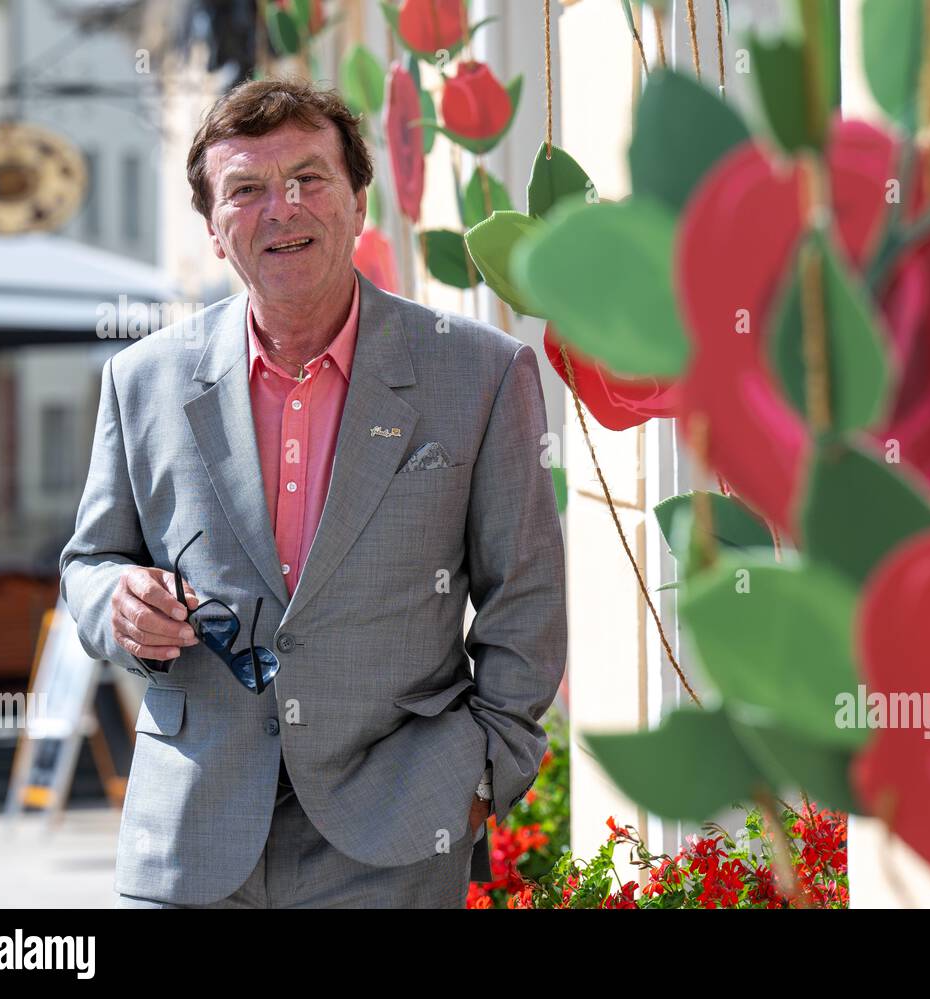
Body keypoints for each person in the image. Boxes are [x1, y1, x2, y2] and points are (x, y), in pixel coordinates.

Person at [59, 77, 567, 908]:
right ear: (216, 231)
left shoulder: (479, 373)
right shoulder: (140, 379)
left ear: (359, 201)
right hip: (190, 832)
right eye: (246, 190)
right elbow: (89, 560)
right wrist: (116, 598)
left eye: (309, 179)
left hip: (396, 829)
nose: (281, 208)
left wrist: (481, 772)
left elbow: (528, 598)